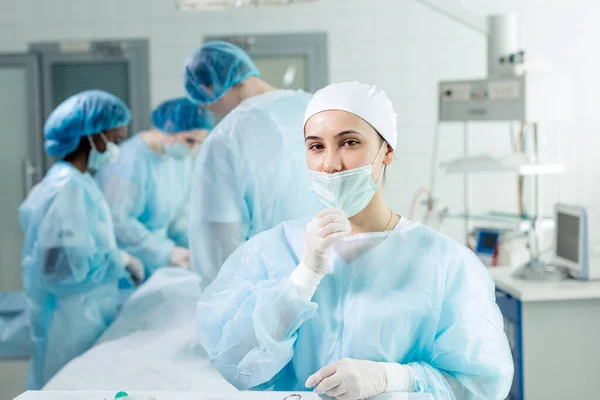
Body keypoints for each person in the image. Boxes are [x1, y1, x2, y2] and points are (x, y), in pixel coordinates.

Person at [197, 82, 514, 399]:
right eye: (316, 147)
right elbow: (236, 364)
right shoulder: (276, 249)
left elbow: (480, 385)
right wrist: (303, 278)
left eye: (349, 143)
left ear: (386, 151)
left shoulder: (444, 263)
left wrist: (392, 378)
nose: (331, 164)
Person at [18, 90, 144, 389]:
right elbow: (60, 270)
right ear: (91, 137)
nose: (116, 150)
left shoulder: (80, 182)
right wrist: (119, 260)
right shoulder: (66, 189)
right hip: (70, 321)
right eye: (114, 141)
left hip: (84, 314)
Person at [183, 41, 322, 289]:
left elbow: (218, 244)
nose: (208, 109)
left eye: (204, 102)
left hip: (270, 296)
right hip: (334, 279)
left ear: (208, 88)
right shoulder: (320, 110)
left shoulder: (225, 139)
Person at [96, 97, 213, 276]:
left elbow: (178, 217)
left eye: (199, 143)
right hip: (127, 266)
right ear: (167, 128)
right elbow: (119, 222)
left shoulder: (179, 160)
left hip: (159, 263)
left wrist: (198, 246)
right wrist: (166, 252)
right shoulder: (128, 162)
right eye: (190, 141)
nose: (193, 149)